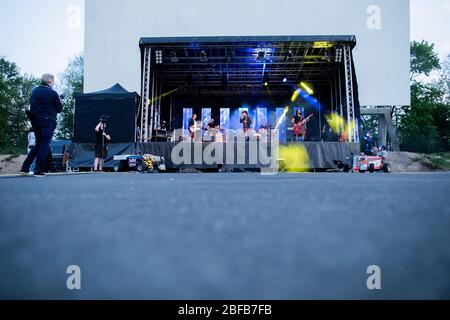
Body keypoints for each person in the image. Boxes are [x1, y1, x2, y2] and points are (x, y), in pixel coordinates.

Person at [20, 74, 62, 177]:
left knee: (38, 145)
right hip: (48, 122)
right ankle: (38, 170)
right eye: (53, 81)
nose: (54, 82)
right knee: (44, 145)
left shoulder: (34, 91)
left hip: (36, 122)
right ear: (49, 81)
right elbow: (59, 109)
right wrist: (60, 100)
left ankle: (25, 168)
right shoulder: (52, 93)